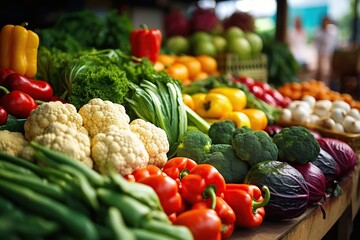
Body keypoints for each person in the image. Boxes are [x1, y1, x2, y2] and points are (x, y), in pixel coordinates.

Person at [313, 16, 340, 86]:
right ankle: (318, 85)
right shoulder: (319, 30)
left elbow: (336, 42)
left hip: (329, 54)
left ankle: (324, 86)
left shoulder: (333, 30)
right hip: (321, 54)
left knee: (326, 72)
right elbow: (316, 43)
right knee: (320, 71)